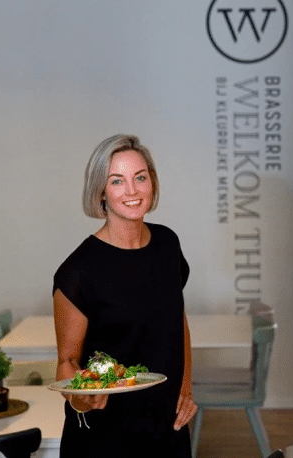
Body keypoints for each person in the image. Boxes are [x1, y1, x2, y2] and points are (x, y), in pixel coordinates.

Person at [52, 134, 197, 457]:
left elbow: (178, 323)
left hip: (166, 427)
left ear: (152, 182)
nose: (132, 191)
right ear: (101, 191)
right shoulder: (77, 272)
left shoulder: (167, 244)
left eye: (140, 178)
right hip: (104, 436)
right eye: (117, 181)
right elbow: (67, 362)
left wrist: (185, 387)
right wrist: (81, 398)